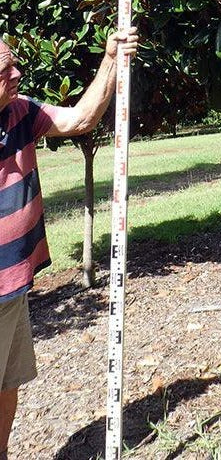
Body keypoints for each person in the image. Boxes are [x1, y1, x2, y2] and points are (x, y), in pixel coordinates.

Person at [0, 28, 138, 460]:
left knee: (8, 381)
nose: (19, 73)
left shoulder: (22, 112)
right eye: (6, 69)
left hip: (13, 285)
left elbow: (80, 118)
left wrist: (111, 58)